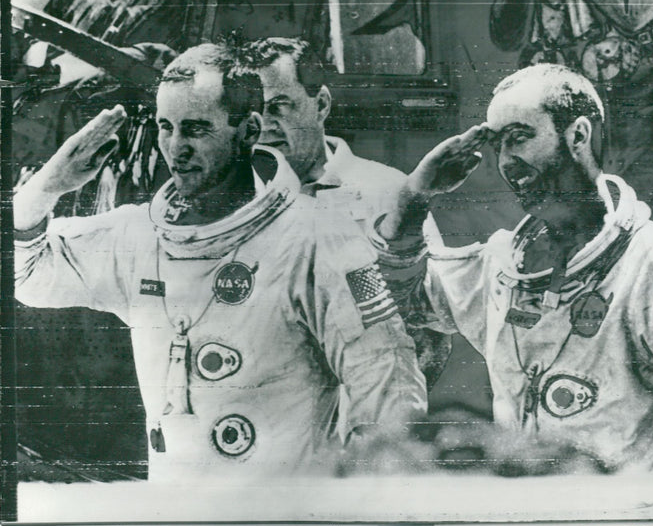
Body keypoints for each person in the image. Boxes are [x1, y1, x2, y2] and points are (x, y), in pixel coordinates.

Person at [14, 42, 427, 483]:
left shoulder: (319, 237)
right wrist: (46, 188)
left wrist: (364, 496)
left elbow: (387, 378)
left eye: (195, 129)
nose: (176, 148)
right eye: (165, 127)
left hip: (288, 515)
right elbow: (26, 274)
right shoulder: (138, 236)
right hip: (177, 517)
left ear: (248, 130)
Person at [371, 64, 653, 473]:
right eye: (498, 147)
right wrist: (414, 197)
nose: (507, 162)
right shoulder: (502, 268)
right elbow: (388, 301)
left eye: (519, 138)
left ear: (578, 135)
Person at [243, 37, 451, 387]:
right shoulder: (238, 205)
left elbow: (435, 328)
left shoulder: (388, 192)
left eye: (279, 106)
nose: (265, 124)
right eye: (254, 111)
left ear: (321, 103)